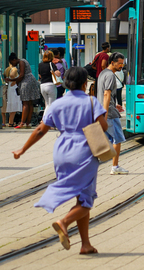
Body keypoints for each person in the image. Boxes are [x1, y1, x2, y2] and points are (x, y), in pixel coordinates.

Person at [12, 67, 108, 254]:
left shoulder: (57, 104)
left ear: (66, 84)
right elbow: (103, 126)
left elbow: (41, 129)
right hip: (84, 151)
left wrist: (22, 149)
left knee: (80, 196)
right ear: (84, 83)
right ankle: (63, 222)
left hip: (62, 151)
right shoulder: (90, 101)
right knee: (86, 200)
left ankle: (85, 244)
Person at [96, 52, 129, 175]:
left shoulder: (102, 73)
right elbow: (106, 94)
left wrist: (114, 105)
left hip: (105, 109)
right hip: (109, 113)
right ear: (112, 62)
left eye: (122, 63)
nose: (121, 66)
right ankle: (115, 166)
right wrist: (106, 112)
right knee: (117, 139)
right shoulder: (110, 76)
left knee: (106, 139)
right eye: (119, 63)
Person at [7, 53, 40, 129]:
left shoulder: (21, 62)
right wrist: (12, 80)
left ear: (14, 59)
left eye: (12, 63)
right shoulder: (23, 61)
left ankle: (22, 123)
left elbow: (21, 75)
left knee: (25, 103)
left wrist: (17, 82)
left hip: (26, 82)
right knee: (30, 103)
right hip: (31, 81)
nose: (12, 65)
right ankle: (28, 123)